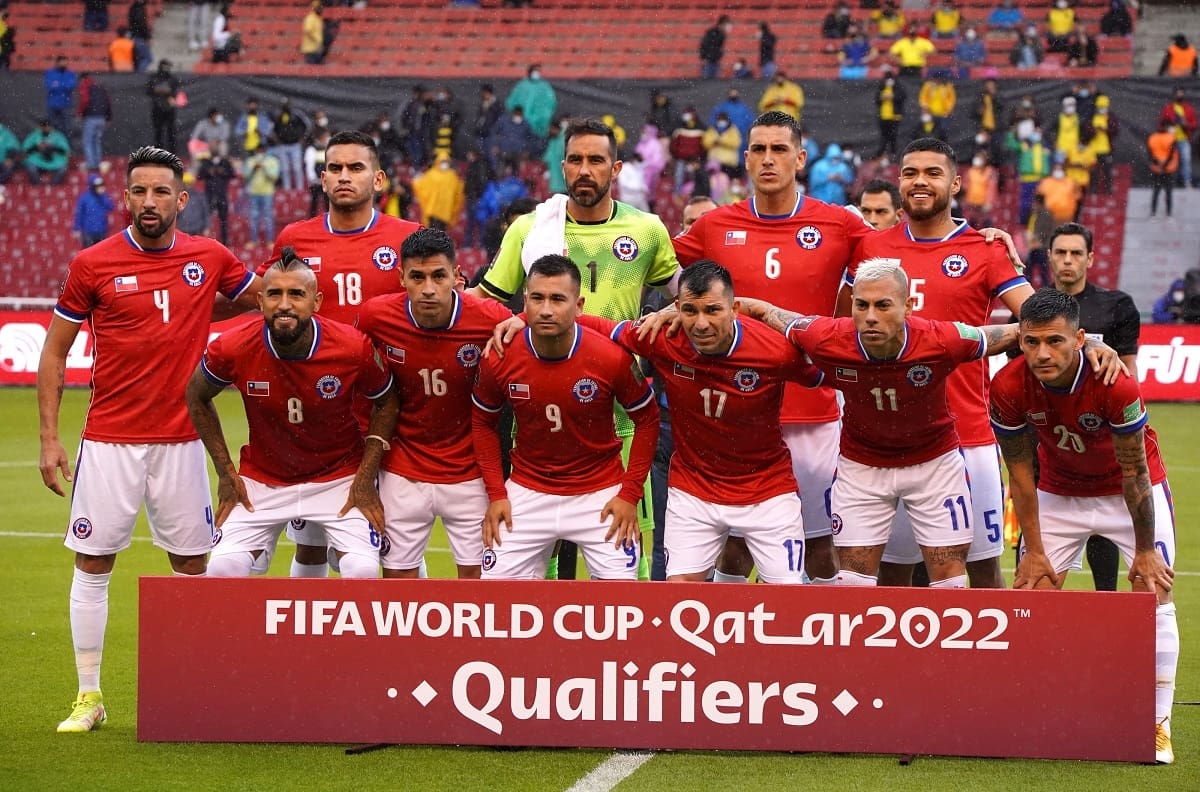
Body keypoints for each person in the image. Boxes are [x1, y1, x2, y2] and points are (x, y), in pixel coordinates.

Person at [38, 146, 259, 733]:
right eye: (140, 191)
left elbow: (273, 297)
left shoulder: (209, 256)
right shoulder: (93, 262)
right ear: (126, 197)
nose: (150, 202)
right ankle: (90, 697)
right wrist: (48, 439)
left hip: (183, 441)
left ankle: (195, 691)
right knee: (93, 561)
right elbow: (55, 350)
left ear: (182, 199)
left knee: (192, 564)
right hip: (109, 440)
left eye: (162, 192)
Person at [470, 118, 680, 580]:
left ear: (616, 168)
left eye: (597, 161)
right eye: (577, 161)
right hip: (539, 419)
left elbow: (687, 297)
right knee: (528, 568)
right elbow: (484, 301)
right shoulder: (530, 228)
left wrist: (672, 311)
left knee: (629, 566)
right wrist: (506, 319)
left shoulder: (646, 230)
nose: (586, 170)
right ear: (563, 167)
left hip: (621, 419)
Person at [673, 111, 876, 585]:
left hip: (814, 410)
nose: (768, 159)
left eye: (779, 149)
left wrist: (983, 236)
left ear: (801, 158)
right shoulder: (714, 226)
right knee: (736, 543)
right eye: (759, 150)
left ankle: (816, 649)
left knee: (822, 543)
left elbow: (906, 253)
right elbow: (655, 262)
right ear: (745, 159)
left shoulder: (839, 224)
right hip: (740, 411)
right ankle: (728, 650)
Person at [739, 258, 1020, 587]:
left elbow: (1014, 333)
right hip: (863, 468)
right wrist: (680, 311)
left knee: (950, 584)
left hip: (934, 465)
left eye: (883, 305)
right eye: (862, 305)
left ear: (908, 306)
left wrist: (1082, 342)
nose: (870, 316)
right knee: (853, 584)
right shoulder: (826, 337)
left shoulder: (941, 338)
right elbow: (765, 312)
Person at [990, 287, 1178, 765]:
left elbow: (1135, 472)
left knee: (1151, 591)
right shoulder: (1008, 386)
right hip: (1058, 491)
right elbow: (1019, 473)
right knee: (1031, 590)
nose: (1042, 353)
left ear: (1079, 339)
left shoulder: (1114, 383)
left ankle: (1156, 723)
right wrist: (1031, 548)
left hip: (1127, 493)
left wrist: (1144, 549)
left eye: (1054, 341)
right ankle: (1041, 712)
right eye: (1031, 342)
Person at [850, 138, 1037, 589]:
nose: (920, 182)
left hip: (967, 435)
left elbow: (1036, 316)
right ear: (899, 183)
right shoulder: (869, 247)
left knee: (983, 567)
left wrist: (1087, 341)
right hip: (888, 438)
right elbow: (840, 325)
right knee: (892, 572)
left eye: (933, 173)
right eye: (911, 173)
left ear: (955, 183)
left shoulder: (984, 249)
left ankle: (988, 659)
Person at [265, 129, 422, 575]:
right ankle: (305, 646)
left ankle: (404, 643)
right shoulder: (295, 238)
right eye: (335, 168)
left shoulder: (409, 239)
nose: (344, 176)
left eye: (356, 168)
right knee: (311, 544)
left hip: (392, 411)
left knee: (395, 542)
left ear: (378, 180)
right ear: (323, 178)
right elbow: (271, 302)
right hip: (321, 416)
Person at [187, 251, 398, 579]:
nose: (284, 304)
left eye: (296, 294)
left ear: (316, 301)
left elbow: (387, 401)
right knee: (221, 570)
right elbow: (196, 395)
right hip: (263, 479)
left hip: (339, 478)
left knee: (362, 571)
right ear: (260, 300)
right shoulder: (231, 348)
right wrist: (226, 472)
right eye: (274, 294)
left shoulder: (351, 348)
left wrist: (365, 477)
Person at [472, 255, 659, 580]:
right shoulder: (499, 355)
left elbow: (648, 420)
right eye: (537, 298)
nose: (546, 309)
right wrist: (497, 494)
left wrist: (629, 495)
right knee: (496, 598)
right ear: (525, 301)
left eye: (558, 299)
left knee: (622, 604)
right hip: (528, 489)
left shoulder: (610, 357)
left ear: (579, 304)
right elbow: (482, 422)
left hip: (600, 492)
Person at [357, 229, 513, 579]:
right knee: (398, 583)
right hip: (402, 469)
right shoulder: (375, 317)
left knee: (479, 588)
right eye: (417, 277)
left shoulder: (491, 318)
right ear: (402, 279)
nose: (428, 288)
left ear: (457, 277)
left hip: (470, 472)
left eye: (439, 276)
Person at [1044, 222, 1139, 591]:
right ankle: (1036, 625)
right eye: (1061, 252)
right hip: (1049, 440)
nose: (1068, 260)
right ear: (1049, 256)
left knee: (1102, 527)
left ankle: (1106, 605)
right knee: (1039, 536)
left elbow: (1129, 375)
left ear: (1090, 258)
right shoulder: (1033, 307)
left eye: (1076, 253)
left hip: (1102, 441)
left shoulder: (1116, 305)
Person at [242, 145, 281, 250]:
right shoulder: (250, 161)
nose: (260, 153)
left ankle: (270, 241)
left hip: (267, 192)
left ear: (265, 151)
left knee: (268, 216)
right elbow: (244, 176)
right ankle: (253, 240)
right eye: (258, 151)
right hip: (254, 192)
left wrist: (264, 168)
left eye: (261, 150)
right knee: (254, 217)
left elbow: (275, 176)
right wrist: (253, 169)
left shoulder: (272, 161)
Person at [413, 152, 464, 230]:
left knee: (441, 234)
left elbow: (458, 192)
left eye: (445, 162)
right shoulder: (431, 174)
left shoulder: (452, 176)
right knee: (432, 233)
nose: (444, 164)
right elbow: (422, 187)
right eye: (442, 161)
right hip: (432, 209)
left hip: (446, 210)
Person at [1159, 87, 1196, 190]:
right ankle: (1169, 183)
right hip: (1170, 140)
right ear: (1174, 95)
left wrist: (1186, 124)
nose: (1179, 96)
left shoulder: (1188, 108)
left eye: (1181, 94)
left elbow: (1194, 124)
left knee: (1185, 161)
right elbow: (1160, 124)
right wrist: (1167, 128)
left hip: (1184, 139)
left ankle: (1187, 182)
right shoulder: (1168, 108)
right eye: (1177, 94)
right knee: (1170, 162)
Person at [505, 64, 557, 139]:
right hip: (520, 127)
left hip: (539, 127)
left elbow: (551, 105)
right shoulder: (521, 85)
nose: (537, 73)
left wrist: (541, 119)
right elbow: (511, 103)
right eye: (535, 70)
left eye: (538, 71)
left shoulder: (545, 87)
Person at [197, 151, 234, 244]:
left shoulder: (225, 162)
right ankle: (204, 241)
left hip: (221, 195)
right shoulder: (206, 162)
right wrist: (209, 172)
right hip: (209, 195)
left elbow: (232, 174)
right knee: (206, 218)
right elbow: (199, 176)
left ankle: (225, 241)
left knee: (223, 220)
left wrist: (223, 172)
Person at [78, 73, 112, 172]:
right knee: (97, 141)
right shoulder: (99, 87)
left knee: (88, 141)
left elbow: (84, 100)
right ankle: (97, 163)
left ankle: (91, 164)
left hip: (91, 117)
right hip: (102, 117)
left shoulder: (85, 86)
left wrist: (80, 113)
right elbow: (108, 102)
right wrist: (108, 117)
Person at [145, 60, 179, 153]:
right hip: (157, 108)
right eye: (165, 67)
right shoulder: (154, 78)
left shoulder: (172, 78)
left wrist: (167, 92)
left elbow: (175, 91)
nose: (166, 69)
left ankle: (172, 154)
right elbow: (149, 90)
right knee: (158, 133)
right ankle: (158, 154)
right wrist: (158, 90)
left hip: (169, 109)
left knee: (171, 133)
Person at [23, 119, 71, 185]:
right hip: (38, 161)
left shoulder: (57, 135)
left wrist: (53, 147)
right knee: (31, 168)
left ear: (51, 127)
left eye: (48, 126)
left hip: (55, 161)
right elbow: (25, 150)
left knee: (62, 169)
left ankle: (52, 187)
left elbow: (65, 151)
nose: (46, 128)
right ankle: (38, 187)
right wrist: (37, 147)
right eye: (44, 126)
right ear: (40, 127)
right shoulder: (34, 135)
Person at [1148, 119, 1180, 218]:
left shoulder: (1152, 138)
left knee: (1156, 190)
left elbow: (1150, 154)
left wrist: (1158, 163)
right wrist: (1165, 165)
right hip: (1169, 169)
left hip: (1157, 168)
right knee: (1168, 191)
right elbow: (1171, 153)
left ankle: (1153, 211)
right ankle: (1168, 212)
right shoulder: (1171, 138)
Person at [72, 175, 113, 248]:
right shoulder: (84, 198)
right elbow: (79, 214)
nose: (100, 187)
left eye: (101, 185)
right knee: (88, 253)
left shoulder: (103, 197)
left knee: (101, 253)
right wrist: (77, 228)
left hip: (102, 230)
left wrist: (103, 195)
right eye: (98, 185)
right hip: (88, 231)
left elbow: (111, 207)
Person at [45, 55, 78, 139]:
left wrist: (58, 84)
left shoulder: (70, 73)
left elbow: (71, 86)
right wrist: (63, 85)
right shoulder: (50, 73)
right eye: (62, 62)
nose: (64, 64)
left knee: (67, 127)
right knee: (51, 127)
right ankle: (52, 146)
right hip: (52, 104)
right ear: (57, 62)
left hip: (65, 104)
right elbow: (50, 86)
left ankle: (66, 148)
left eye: (66, 62)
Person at [875, 70, 905, 158]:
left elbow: (902, 96)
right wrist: (882, 98)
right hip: (883, 116)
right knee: (884, 137)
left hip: (895, 116)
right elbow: (876, 99)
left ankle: (894, 153)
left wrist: (893, 96)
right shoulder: (881, 88)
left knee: (894, 136)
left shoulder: (898, 87)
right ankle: (883, 154)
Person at [700, 15, 731, 80]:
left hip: (715, 60)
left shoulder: (721, 34)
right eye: (727, 24)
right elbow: (705, 45)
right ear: (722, 23)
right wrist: (704, 57)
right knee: (707, 82)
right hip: (709, 60)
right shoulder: (712, 32)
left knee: (714, 83)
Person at [127, 0, 152, 72]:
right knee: (147, 58)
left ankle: (137, 75)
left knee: (139, 59)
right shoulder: (138, 9)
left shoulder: (133, 8)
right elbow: (141, 25)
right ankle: (139, 75)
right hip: (139, 37)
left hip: (135, 36)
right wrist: (148, 37)